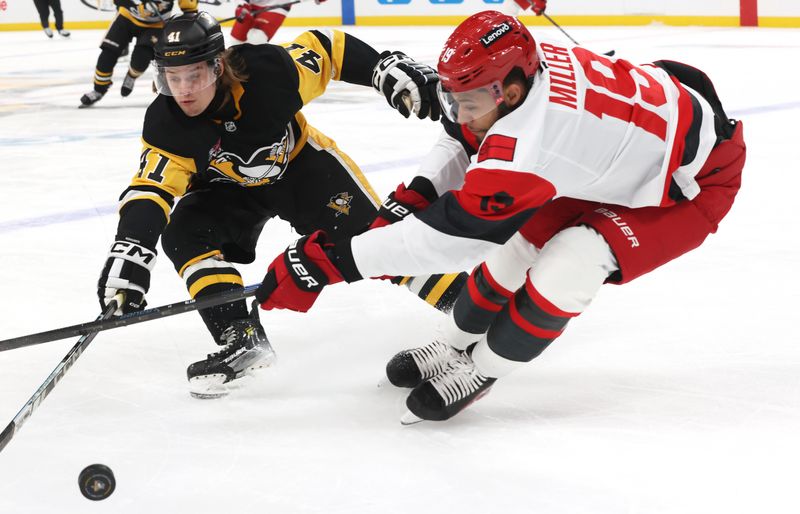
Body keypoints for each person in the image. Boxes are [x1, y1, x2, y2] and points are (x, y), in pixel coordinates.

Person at [253, 10, 746, 423]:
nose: (459, 111)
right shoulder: (509, 82)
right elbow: (460, 136)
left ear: (509, 92)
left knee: (572, 260)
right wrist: (416, 195)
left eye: (469, 102)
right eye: (454, 96)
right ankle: (452, 344)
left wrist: (325, 263)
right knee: (520, 251)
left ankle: (482, 369)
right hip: (614, 155)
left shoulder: (530, 142)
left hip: (693, 183)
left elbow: (454, 239)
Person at [96, 12, 466, 399]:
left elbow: (328, 48)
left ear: (218, 67)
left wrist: (378, 66)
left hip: (301, 169)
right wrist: (132, 249)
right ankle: (242, 338)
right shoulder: (165, 122)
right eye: (173, 79)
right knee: (183, 235)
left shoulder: (266, 74)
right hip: (227, 190)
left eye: (195, 76)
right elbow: (151, 190)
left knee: (375, 241)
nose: (185, 91)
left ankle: (469, 306)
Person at [79, 0, 199, 108]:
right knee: (107, 56)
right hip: (127, 18)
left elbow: (189, 7)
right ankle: (99, 89)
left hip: (155, 25)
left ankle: (131, 76)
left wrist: (190, 18)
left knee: (141, 59)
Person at [230, 0, 326, 45]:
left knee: (256, 40)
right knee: (235, 42)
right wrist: (241, 5)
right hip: (250, 6)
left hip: (277, 5)